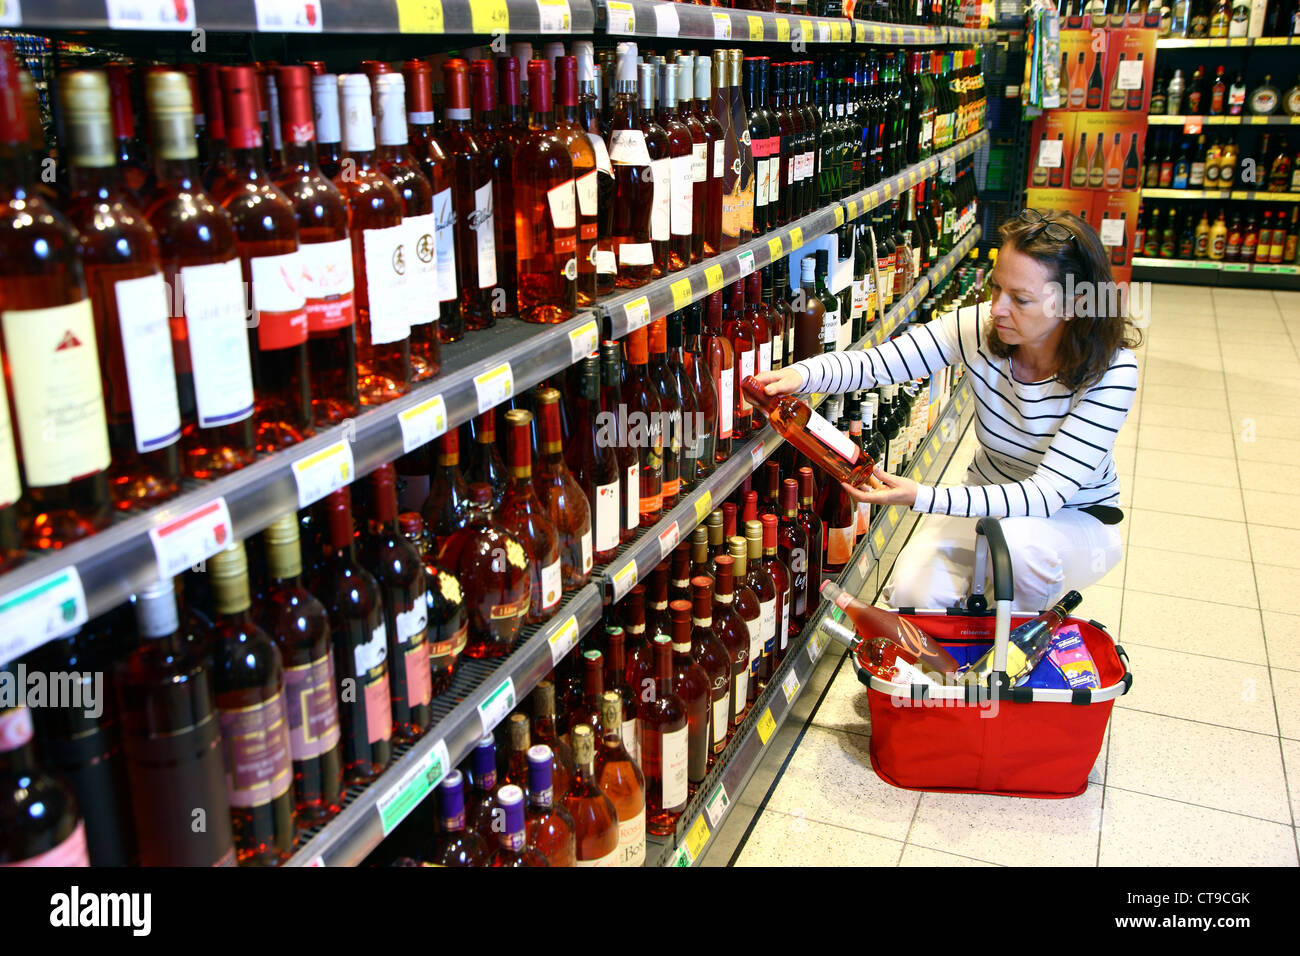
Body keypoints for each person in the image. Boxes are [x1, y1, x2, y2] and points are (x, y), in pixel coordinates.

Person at [753, 209, 1142, 612]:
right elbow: (877, 363)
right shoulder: (980, 329)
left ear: (1074, 304)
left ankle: (1021, 650)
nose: (997, 309)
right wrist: (799, 375)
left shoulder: (1112, 371)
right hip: (985, 498)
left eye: (1020, 299)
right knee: (912, 597)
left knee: (1022, 553)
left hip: (1074, 519)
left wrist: (920, 496)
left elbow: (1044, 496)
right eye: (996, 289)